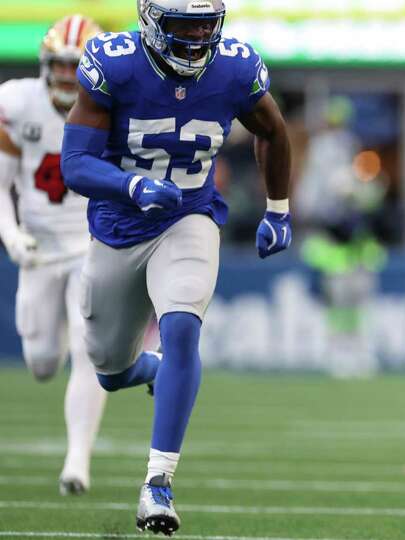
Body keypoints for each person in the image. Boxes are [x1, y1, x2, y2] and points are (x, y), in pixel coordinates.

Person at [60, 0, 292, 534]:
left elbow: (273, 131)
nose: (197, 36)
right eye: (183, 24)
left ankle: (158, 484)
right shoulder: (113, 63)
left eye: (206, 24)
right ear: (149, 20)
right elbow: (75, 162)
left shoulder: (234, 67)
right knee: (109, 368)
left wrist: (278, 208)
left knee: (183, 327)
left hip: (189, 216)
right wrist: (132, 186)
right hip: (119, 228)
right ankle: (149, 371)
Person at [0, 14, 107, 496]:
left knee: (87, 350)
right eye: (60, 66)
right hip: (40, 249)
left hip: (91, 243)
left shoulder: (114, 106)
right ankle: (60, 332)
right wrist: (11, 234)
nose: (67, 76)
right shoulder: (16, 103)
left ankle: (77, 462)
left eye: (76, 67)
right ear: (46, 65)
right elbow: (0, 185)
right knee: (43, 362)